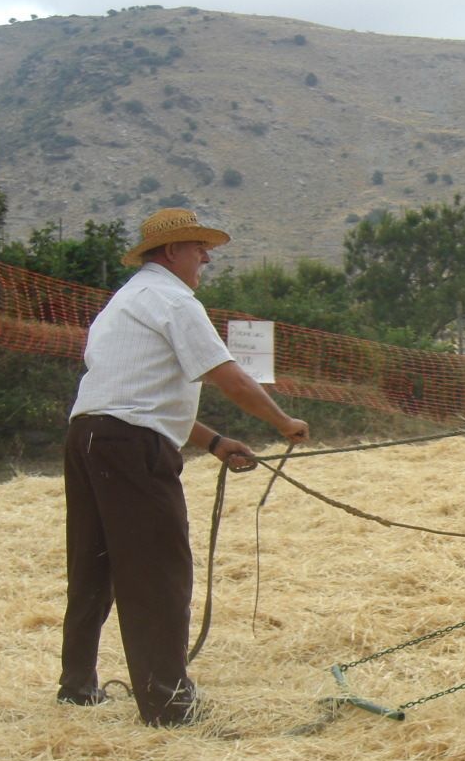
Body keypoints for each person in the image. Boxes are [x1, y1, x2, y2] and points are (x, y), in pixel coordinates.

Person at [57, 208, 309, 726]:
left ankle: (77, 687)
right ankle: (168, 705)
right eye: (200, 248)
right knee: (158, 571)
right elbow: (229, 378)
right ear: (172, 251)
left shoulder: (124, 301)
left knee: (93, 566)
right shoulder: (175, 300)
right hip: (131, 447)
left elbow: (137, 395)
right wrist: (284, 423)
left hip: (87, 438)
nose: (207, 259)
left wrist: (213, 442)